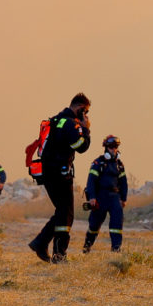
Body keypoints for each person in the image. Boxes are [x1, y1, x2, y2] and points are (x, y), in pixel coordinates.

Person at [28, 93, 92, 262]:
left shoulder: (57, 120)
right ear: (80, 109)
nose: (85, 116)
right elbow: (81, 147)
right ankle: (59, 255)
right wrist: (86, 129)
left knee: (62, 212)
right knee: (66, 215)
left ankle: (40, 243)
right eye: (85, 112)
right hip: (60, 175)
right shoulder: (70, 124)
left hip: (48, 173)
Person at [83, 134, 129, 252]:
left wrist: (123, 198)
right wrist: (92, 197)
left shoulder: (119, 165)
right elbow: (91, 181)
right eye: (111, 147)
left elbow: (124, 182)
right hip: (100, 197)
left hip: (115, 197)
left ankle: (116, 249)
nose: (114, 150)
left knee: (117, 223)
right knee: (94, 225)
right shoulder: (98, 163)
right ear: (106, 148)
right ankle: (87, 245)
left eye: (116, 147)